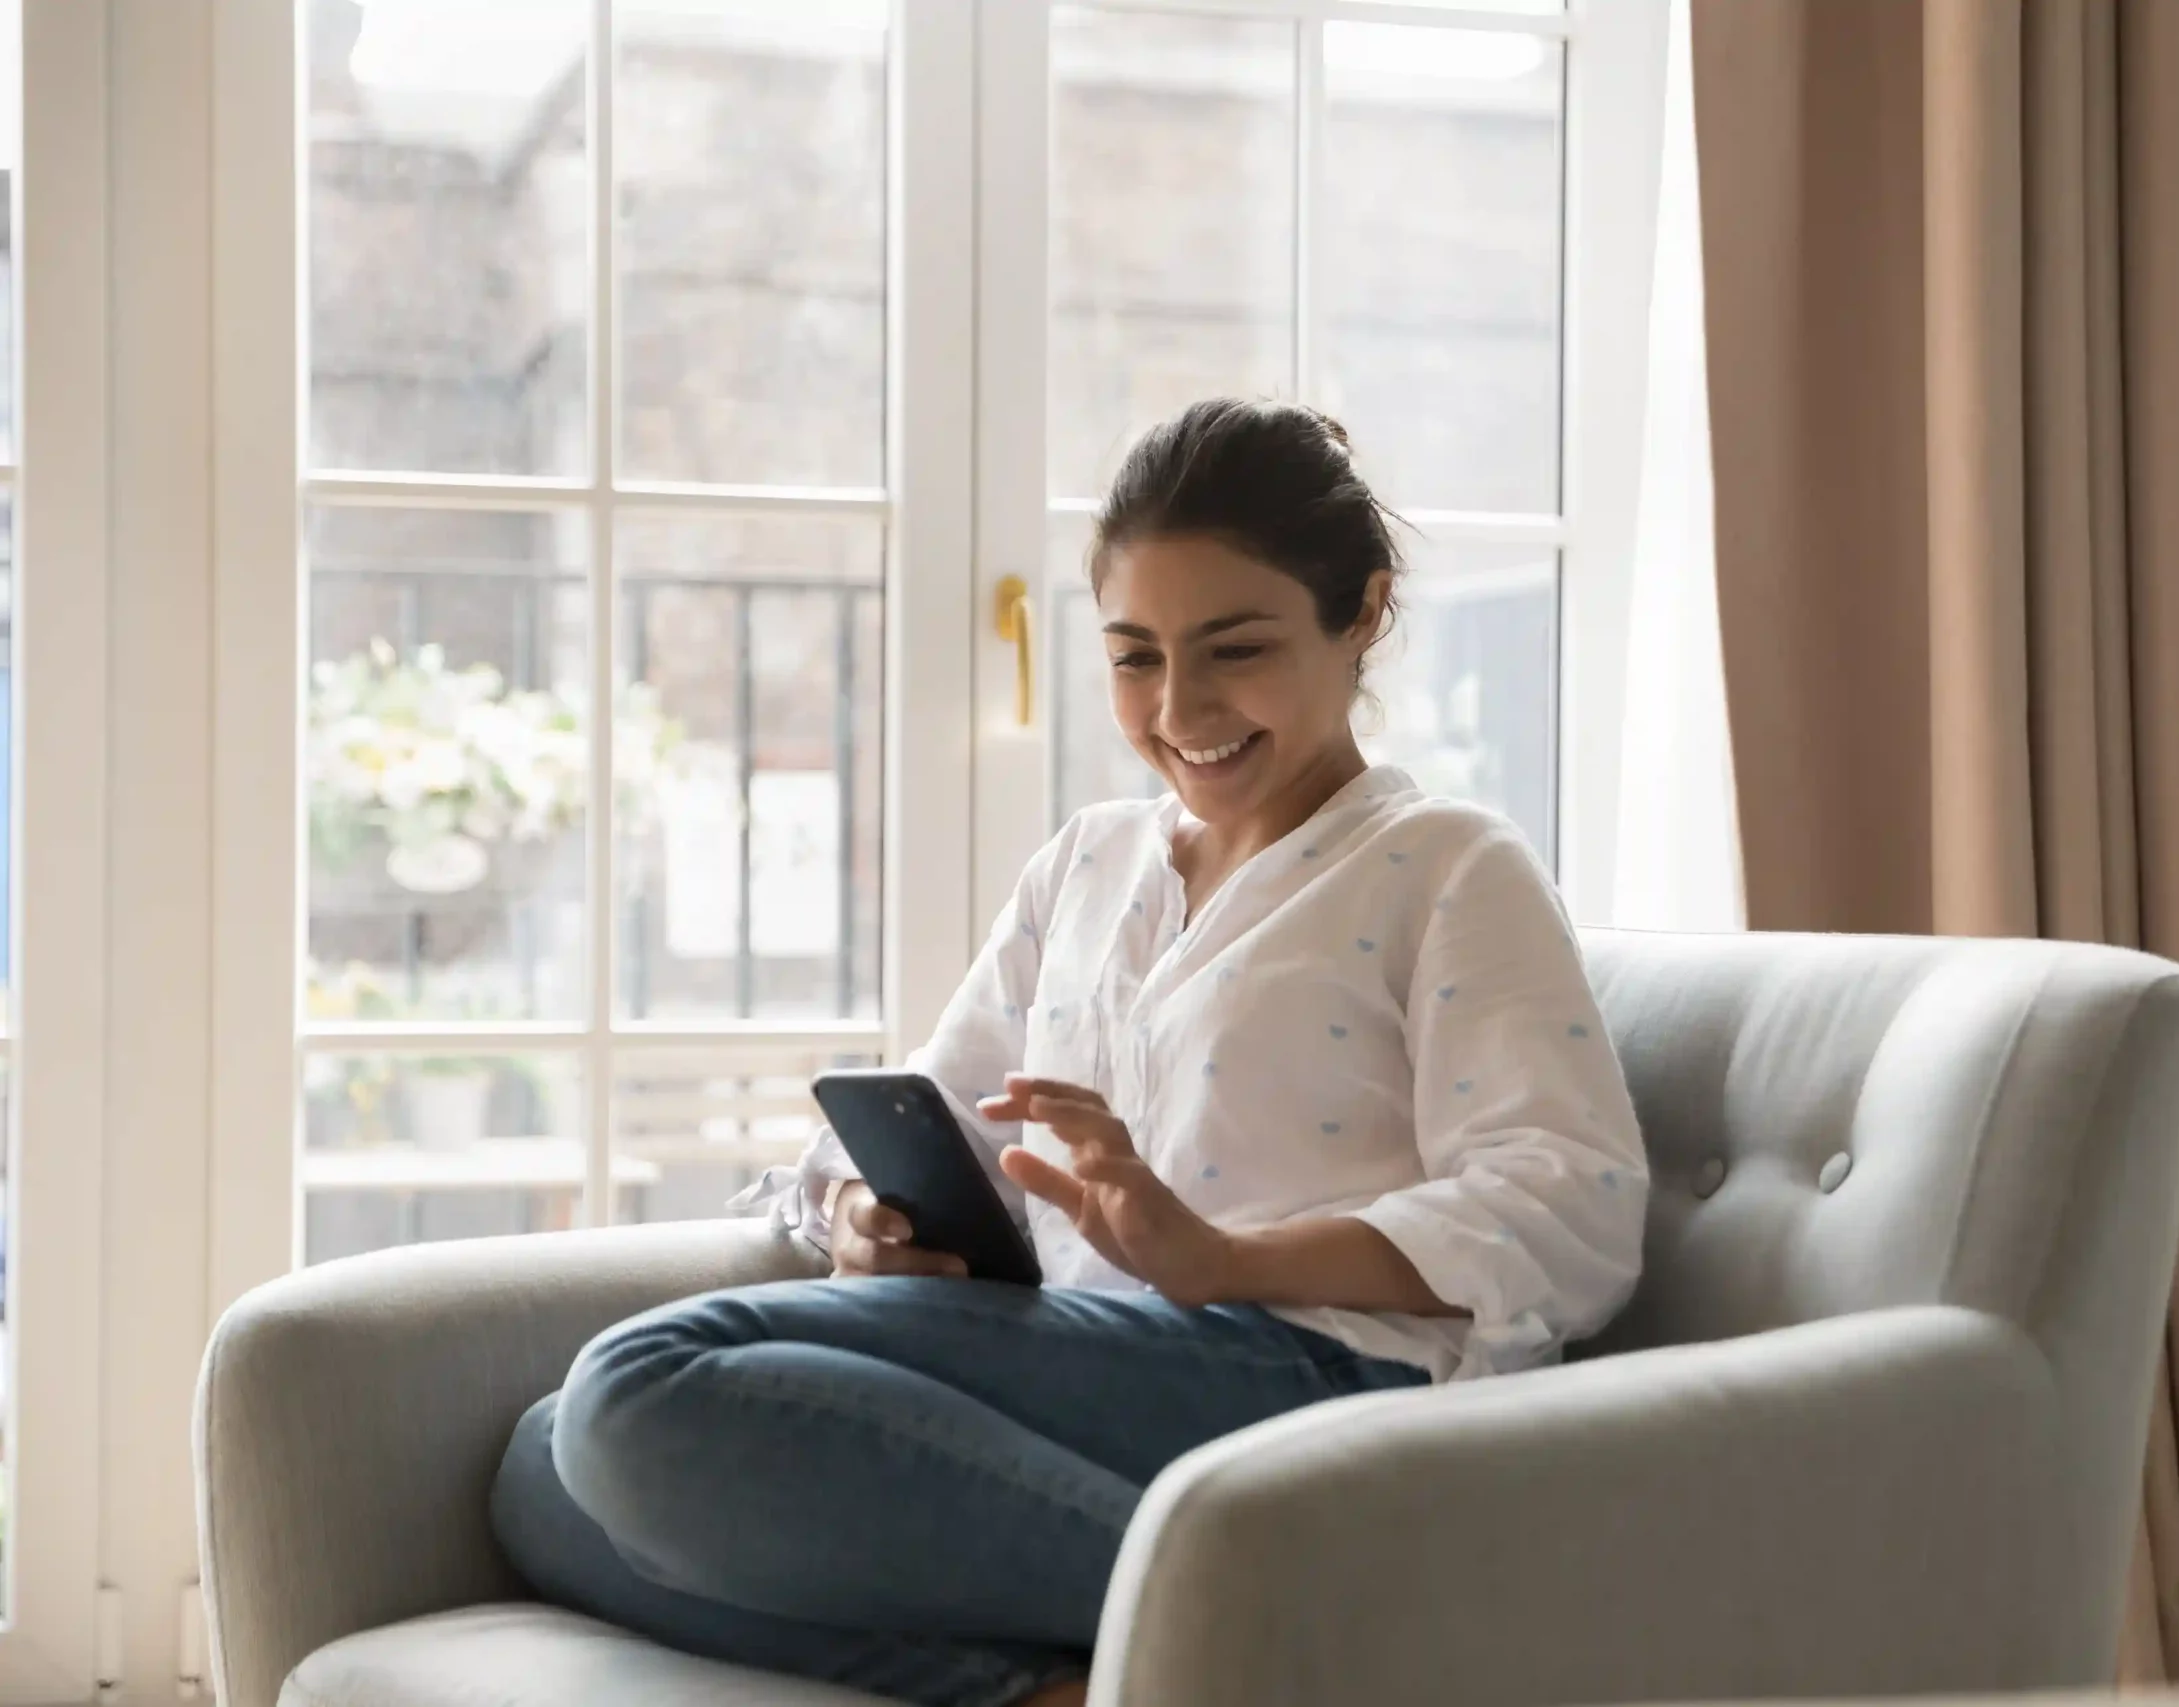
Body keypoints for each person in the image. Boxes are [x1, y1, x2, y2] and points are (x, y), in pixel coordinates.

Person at [488, 398, 1649, 1707]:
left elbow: (1570, 1208)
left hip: (1314, 1380)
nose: (1181, 706)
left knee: (632, 1395)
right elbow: (950, 1105)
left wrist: (1223, 1260)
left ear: (1364, 613)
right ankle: (1066, 1682)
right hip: (1082, 1352)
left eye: (1235, 647)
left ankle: (1316, 1639)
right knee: (542, 1469)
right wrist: (871, 1212)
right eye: (1135, 657)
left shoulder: (1447, 866)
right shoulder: (1088, 864)